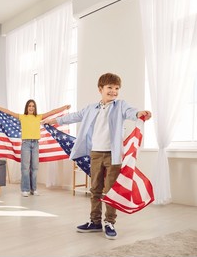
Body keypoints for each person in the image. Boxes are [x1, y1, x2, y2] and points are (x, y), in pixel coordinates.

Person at [42, 73, 152, 239]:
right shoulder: (91, 108)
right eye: (110, 88)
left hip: (113, 155)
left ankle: (110, 222)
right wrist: (56, 121)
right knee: (95, 189)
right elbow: (74, 116)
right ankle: (94, 222)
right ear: (100, 89)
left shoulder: (120, 105)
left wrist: (139, 113)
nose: (113, 91)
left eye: (116, 88)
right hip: (95, 154)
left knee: (110, 190)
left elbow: (131, 112)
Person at [0, 100, 71, 197]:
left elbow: (52, 112)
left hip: (35, 144)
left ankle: (34, 189)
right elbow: (8, 112)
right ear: (27, 108)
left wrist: (64, 107)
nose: (31, 108)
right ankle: (25, 189)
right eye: (29, 106)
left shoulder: (38, 117)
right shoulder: (22, 117)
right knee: (25, 167)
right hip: (26, 144)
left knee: (35, 168)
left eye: (33, 106)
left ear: (35, 108)